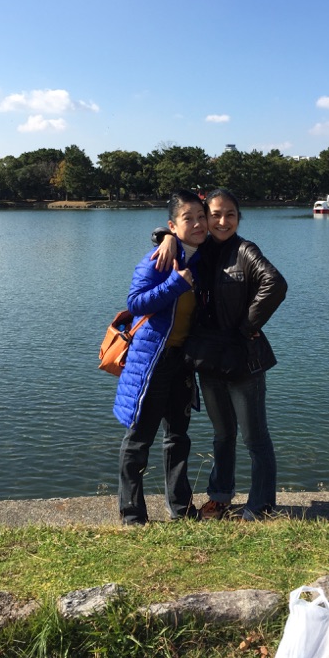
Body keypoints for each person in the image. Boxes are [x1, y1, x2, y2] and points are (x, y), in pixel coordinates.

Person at [154, 188, 287, 521]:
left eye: (230, 214)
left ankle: (261, 505)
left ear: (239, 217)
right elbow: (177, 231)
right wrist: (165, 237)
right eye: (215, 215)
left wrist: (247, 325)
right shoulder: (200, 250)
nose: (222, 221)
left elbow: (275, 283)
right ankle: (220, 496)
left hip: (243, 359)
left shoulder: (245, 251)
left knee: (255, 438)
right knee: (222, 434)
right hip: (209, 359)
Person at [114, 190, 208, 526]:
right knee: (139, 440)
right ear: (173, 225)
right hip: (152, 362)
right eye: (188, 218)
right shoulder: (158, 260)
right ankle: (131, 515)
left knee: (178, 438)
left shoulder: (202, 257)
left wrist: (166, 237)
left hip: (182, 362)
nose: (197, 224)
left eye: (201, 217)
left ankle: (180, 508)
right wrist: (174, 283)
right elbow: (136, 303)